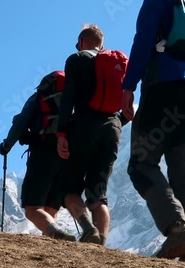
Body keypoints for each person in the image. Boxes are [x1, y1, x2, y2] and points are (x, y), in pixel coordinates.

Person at [121, 0, 185, 263]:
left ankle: (178, 229)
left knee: (141, 164)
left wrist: (128, 86)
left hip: (161, 88)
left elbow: (144, 41)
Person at [56, 24, 129, 246]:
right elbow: (128, 107)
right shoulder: (117, 65)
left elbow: (68, 98)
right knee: (99, 194)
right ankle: (101, 244)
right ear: (101, 44)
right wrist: (116, 124)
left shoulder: (77, 58)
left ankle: (88, 230)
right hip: (112, 128)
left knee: (70, 189)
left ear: (82, 42)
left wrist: (61, 133)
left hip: (83, 125)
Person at [0, 71, 76, 242]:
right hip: (69, 157)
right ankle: (51, 241)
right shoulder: (74, 99)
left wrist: (6, 146)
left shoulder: (38, 98)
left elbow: (21, 123)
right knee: (51, 206)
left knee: (32, 209)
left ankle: (58, 236)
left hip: (43, 154)